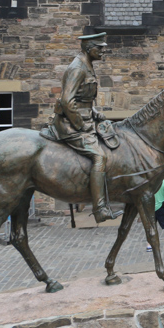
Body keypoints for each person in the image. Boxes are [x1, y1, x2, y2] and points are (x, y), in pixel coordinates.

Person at [50, 32, 121, 223]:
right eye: (100, 48)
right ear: (90, 49)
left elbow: (84, 97)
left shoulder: (87, 64)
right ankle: (100, 209)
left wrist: (94, 111)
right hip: (70, 125)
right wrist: (81, 125)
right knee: (99, 157)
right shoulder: (77, 68)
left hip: (85, 119)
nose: (102, 52)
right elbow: (67, 101)